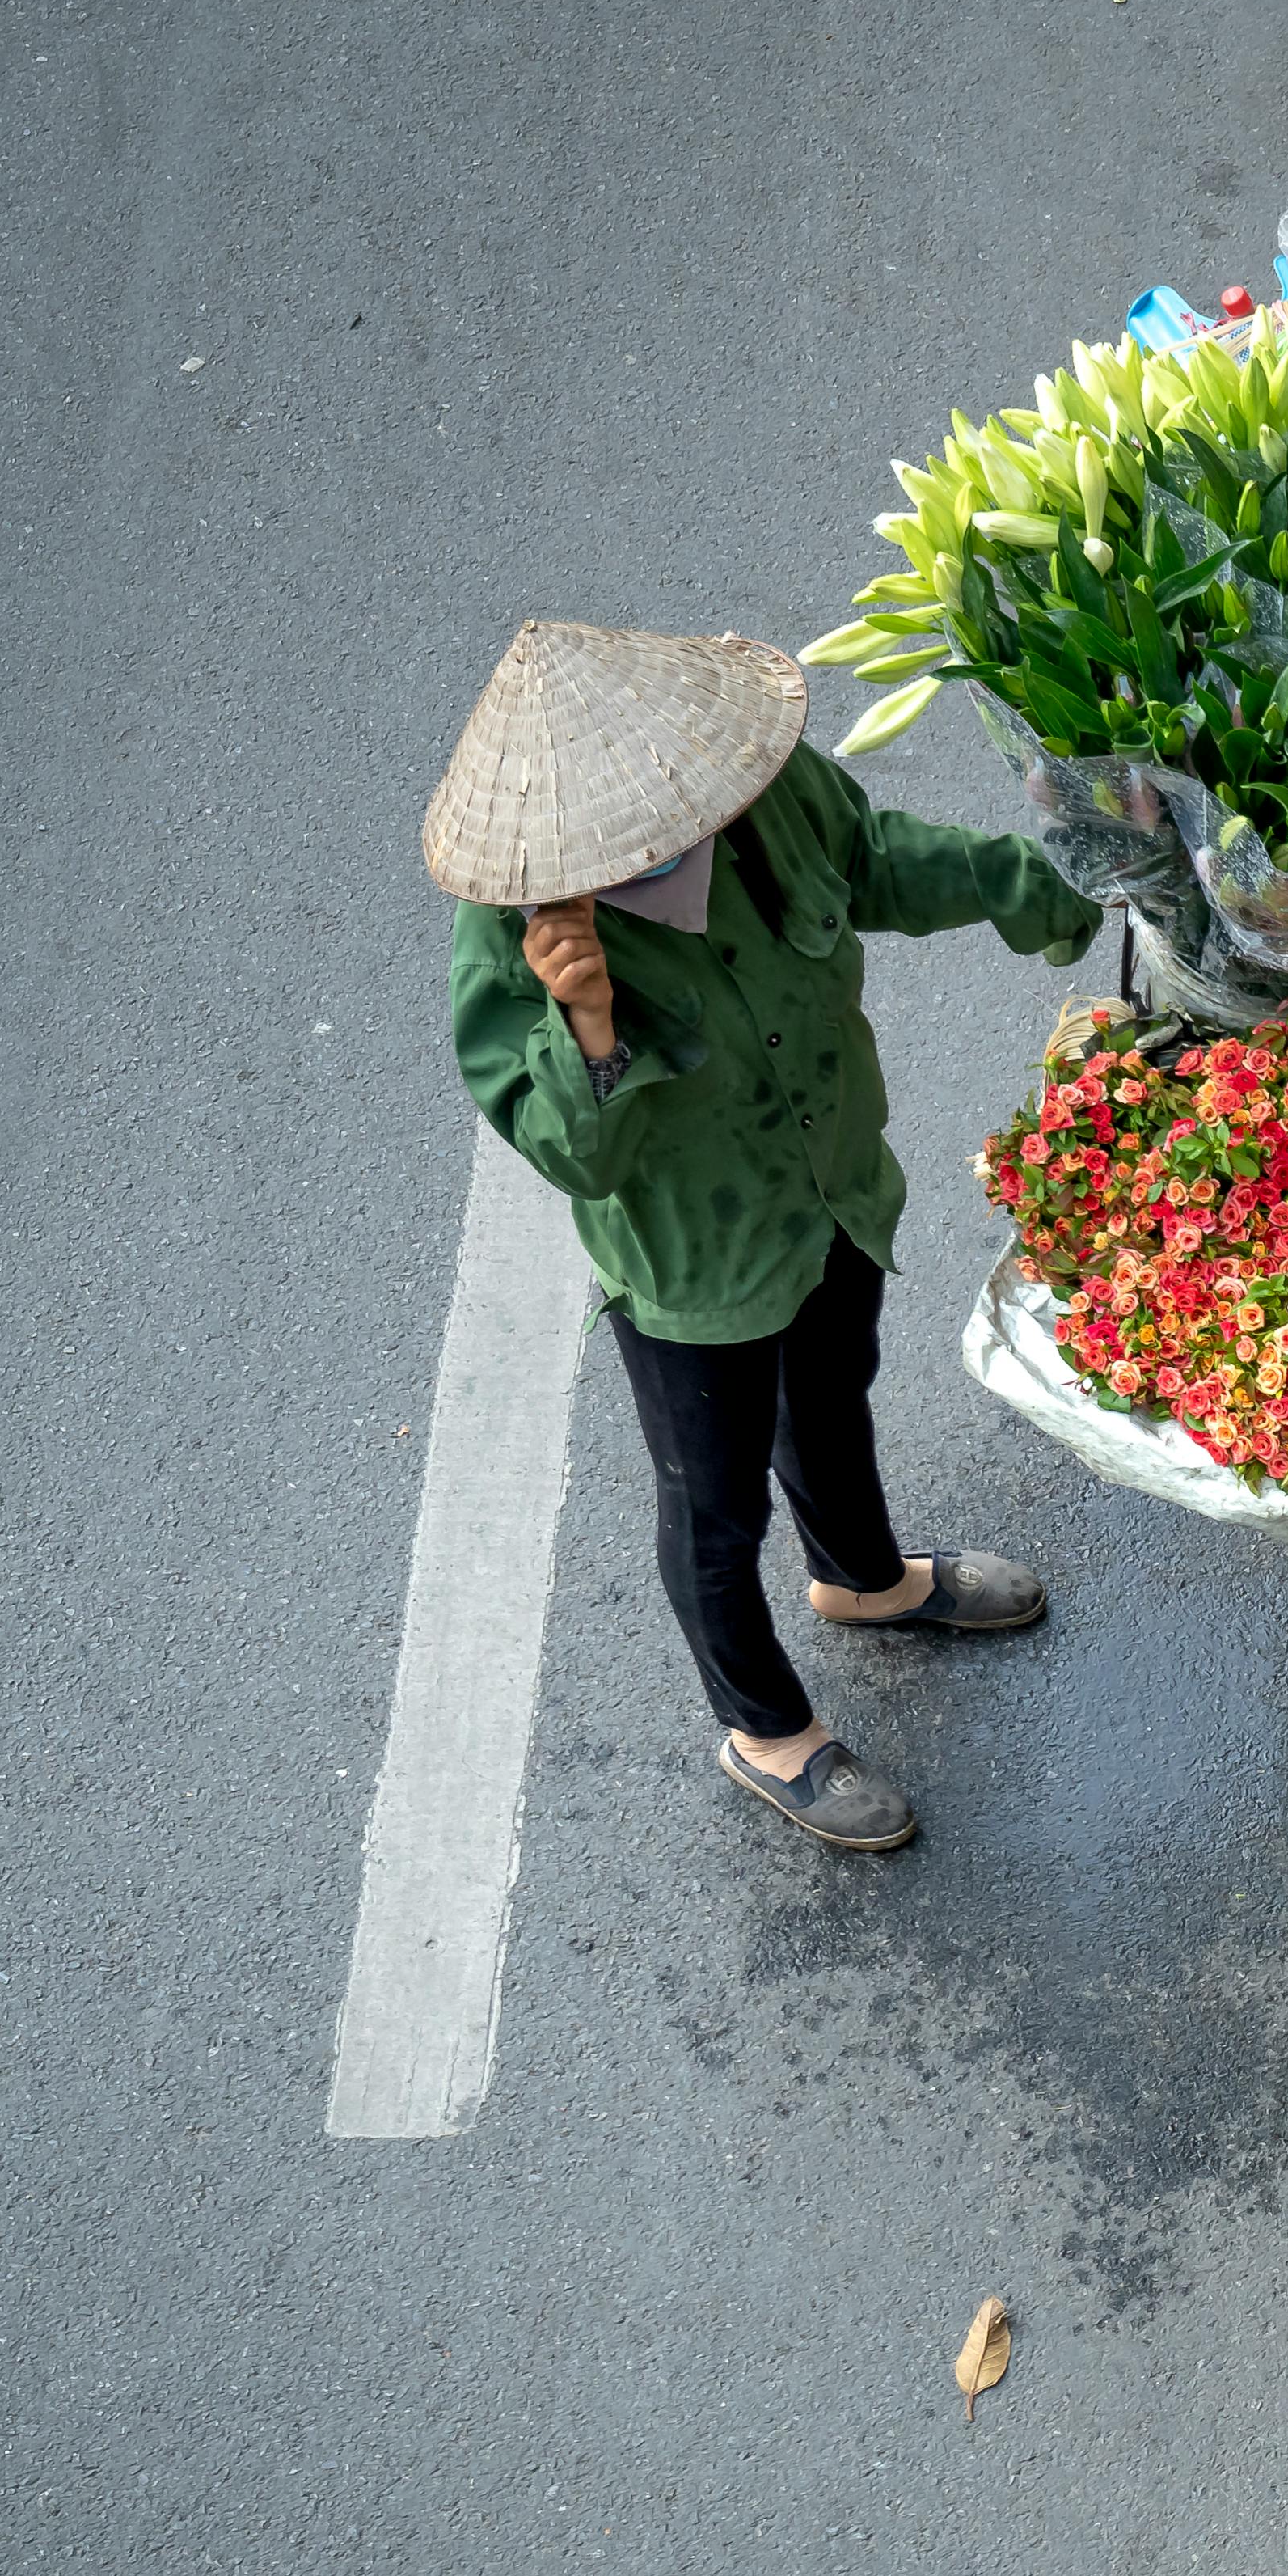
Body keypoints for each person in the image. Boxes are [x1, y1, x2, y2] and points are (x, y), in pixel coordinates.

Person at [428, 621, 1103, 1855]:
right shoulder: (522, 933)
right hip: (696, 1271)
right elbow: (572, 1154)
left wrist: (1065, 889)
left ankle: (861, 1576)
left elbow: (878, 859)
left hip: (831, 1187)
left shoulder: (761, 792)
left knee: (836, 1391)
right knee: (713, 1509)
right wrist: (583, 1022)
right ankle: (766, 1728)